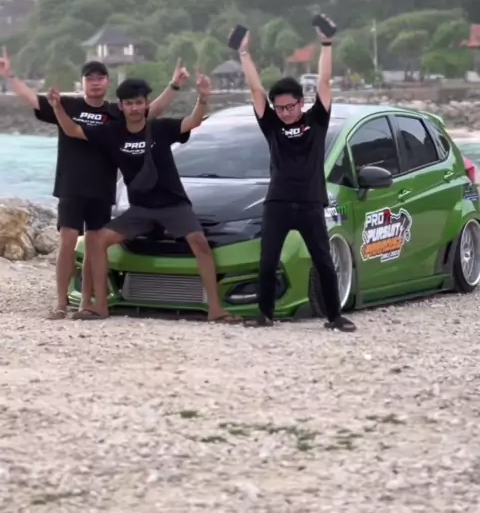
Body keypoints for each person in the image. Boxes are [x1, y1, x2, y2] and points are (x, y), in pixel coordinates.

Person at [0, 49, 189, 320]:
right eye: (90, 78)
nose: (96, 82)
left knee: (93, 245)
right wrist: (10, 76)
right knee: (67, 241)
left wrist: (174, 86)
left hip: (102, 188)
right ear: (83, 83)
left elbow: (150, 112)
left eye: (100, 78)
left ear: (107, 82)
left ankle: (86, 301)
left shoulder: (116, 112)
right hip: (71, 185)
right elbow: (34, 99)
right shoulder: (68, 106)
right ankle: (61, 302)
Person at [47, 74, 241, 324]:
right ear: (121, 106)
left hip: (173, 205)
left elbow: (192, 122)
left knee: (199, 242)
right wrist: (57, 107)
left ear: (146, 104)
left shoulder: (159, 128)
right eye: (129, 103)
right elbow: (73, 130)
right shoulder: (112, 132)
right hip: (140, 209)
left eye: (139, 102)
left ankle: (215, 309)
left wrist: (202, 99)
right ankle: (100, 306)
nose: (135, 108)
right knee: (97, 240)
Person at [237, 25, 356, 331]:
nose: (285, 112)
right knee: (268, 261)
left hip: (310, 203)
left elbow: (325, 81)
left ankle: (335, 317)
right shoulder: (272, 125)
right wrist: (244, 52)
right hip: (277, 202)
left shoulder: (317, 120)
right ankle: (265, 315)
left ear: (302, 103)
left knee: (323, 261)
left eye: (290, 106)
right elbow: (256, 90)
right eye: (279, 108)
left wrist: (327, 43)